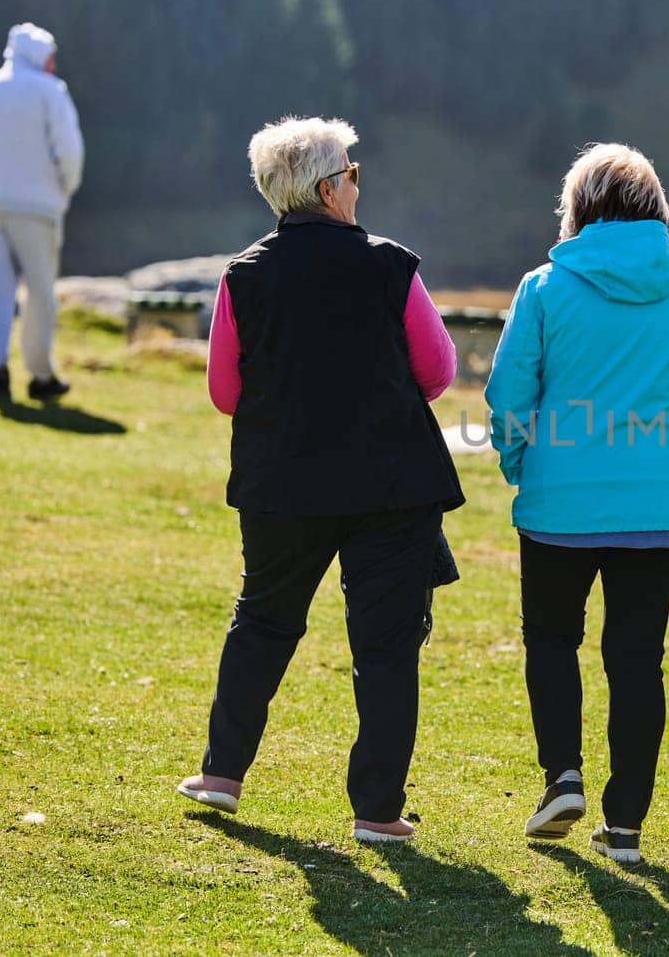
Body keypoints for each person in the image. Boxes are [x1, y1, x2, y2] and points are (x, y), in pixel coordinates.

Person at [176, 116, 463, 843]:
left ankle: (221, 774)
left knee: (264, 621)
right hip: (391, 483)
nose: (358, 186)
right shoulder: (391, 264)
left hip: (283, 480)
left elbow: (224, 391)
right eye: (354, 174)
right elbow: (436, 372)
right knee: (385, 648)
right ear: (330, 188)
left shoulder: (243, 274)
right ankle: (376, 811)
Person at [485, 143, 669, 865]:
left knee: (551, 640)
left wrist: (518, 460)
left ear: (580, 206)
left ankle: (562, 774)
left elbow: (509, 395)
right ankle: (625, 821)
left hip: (558, 502)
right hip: (656, 504)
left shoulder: (543, 287)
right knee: (636, 659)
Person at [0, 22, 84, 402]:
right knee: (39, 293)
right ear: (41, 56)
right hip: (38, 210)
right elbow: (69, 153)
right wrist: (63, 191)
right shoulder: (50, 92)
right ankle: (40, 374)